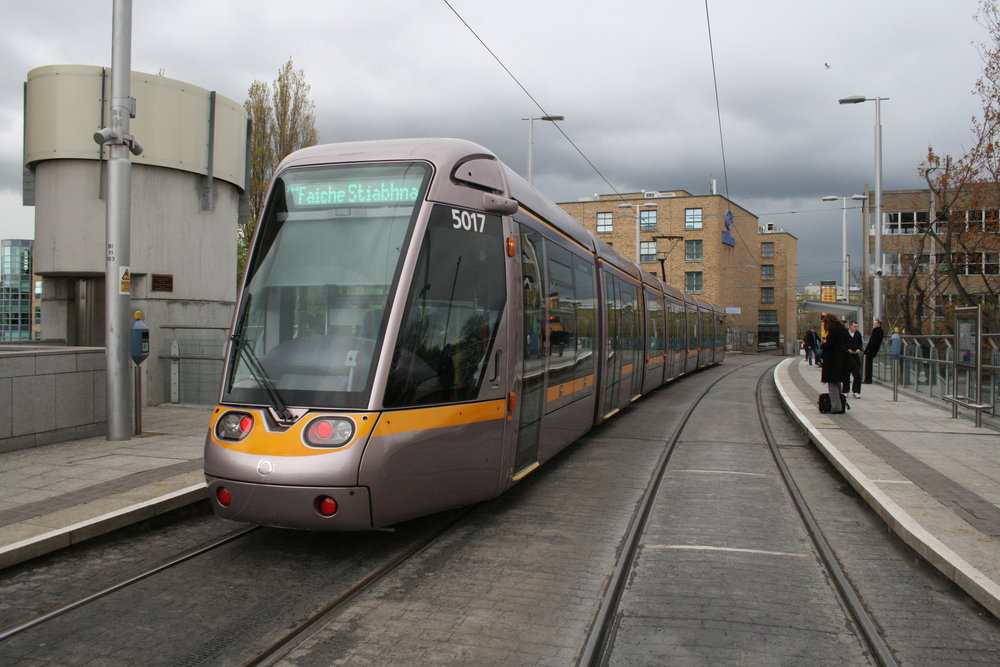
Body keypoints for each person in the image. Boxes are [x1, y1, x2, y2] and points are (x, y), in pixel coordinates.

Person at [820, 313, 849, 413]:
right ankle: (840, 405)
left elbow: (829, 344)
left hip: (832, 361)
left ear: (828, 322)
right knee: (837, 383)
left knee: (832, 384)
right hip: (840, 360)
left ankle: (836, 407)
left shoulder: (833, 330)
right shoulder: (842, 329)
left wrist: (823, 345)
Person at [843, 320, 863, 398]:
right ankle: (845, 391)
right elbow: (842, 344)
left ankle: (856, 391)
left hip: (855, 357)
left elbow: (860, 343)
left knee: (857, 374)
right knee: (846, 375)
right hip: (847, 357)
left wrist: (859, 349)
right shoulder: (845, 333)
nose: (856, 328)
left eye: (856, 326)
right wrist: (847, 350)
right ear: (850, 326)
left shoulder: (858, 334)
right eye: (854, 326)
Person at [863, 319, 884, 383]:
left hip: (871, 351)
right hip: (871, 350)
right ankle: (867, 379)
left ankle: (868, 379)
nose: (874, 324)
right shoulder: (877, 331)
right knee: (868, 365)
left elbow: (873, 342)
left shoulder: (878, 331)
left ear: (878, 324)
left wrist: (868, 350)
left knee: (868, 365)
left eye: (875, 323)